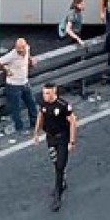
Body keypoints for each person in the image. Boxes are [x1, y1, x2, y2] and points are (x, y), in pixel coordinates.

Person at [31, 81, 77, 212]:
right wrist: (36, 133)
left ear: (54, 93)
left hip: (63, 138)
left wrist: (72, 141)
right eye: (44, 93)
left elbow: (73, 122)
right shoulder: (43, 103)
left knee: (59, 166)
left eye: (47, 93)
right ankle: (62, 180)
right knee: (55, 162)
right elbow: (40, 117)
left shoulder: (63, 106)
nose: (45, 95)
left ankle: (58, 195)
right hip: (50, 138)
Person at [0, 38, 37, 132]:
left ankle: (35, 123)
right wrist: (6, 69)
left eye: (21, 50)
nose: (20, 52)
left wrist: (31, 60)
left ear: (25, 47)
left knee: (32, 103)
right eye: (18, 50)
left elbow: (28, 56)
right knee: (16, 108)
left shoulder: (27, 49)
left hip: (25, 82)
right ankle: (19, 127)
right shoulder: (12, 55)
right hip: (13, 86)